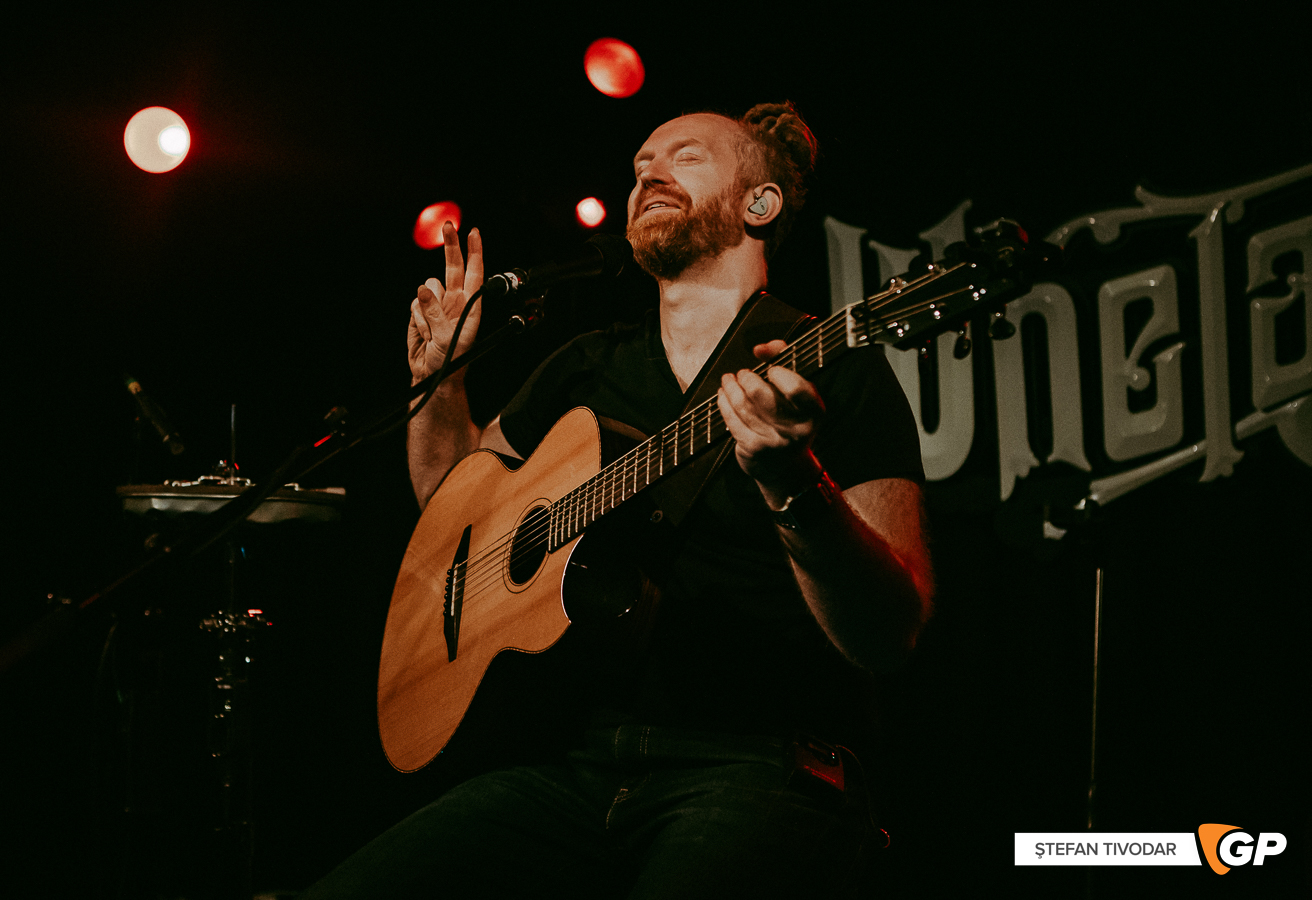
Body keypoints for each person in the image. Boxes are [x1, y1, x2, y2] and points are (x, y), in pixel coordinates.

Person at [304, 102, 933, 899]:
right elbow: (451, 513)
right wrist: (442, 383)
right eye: (640, 165)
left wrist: (791, 479)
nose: (648, 173)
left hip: (759, 767)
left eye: (686, 156)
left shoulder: (831, 366)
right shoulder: (585, 366)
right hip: (573, 765)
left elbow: (889, 631)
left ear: (760, 203)